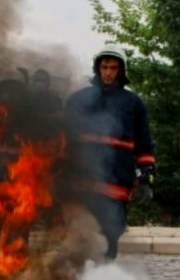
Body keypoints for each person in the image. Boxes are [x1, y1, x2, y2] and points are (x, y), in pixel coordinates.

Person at [65, 46, 155, 261]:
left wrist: (146, 174)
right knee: (81, 234)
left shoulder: (133, 103)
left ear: (121, 71)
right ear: (97, 68)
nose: (108, 72)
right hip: (83, 178)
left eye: (113, 68)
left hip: (118, 179)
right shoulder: (77, 99)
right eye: (104, 67)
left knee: (111, 233)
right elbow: (65, 137)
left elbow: (143, 140)